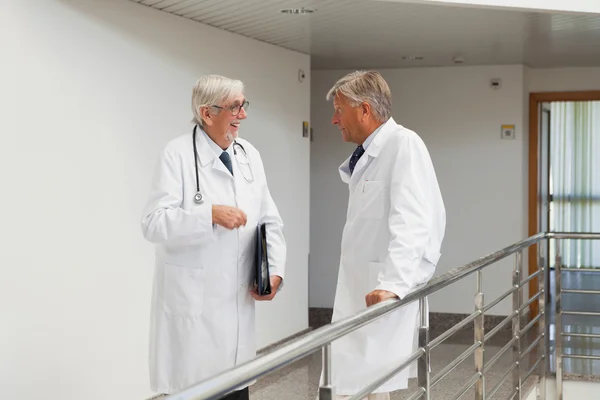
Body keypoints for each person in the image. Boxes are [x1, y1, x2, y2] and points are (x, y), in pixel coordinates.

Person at [140, 75, 286, 399]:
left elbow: (269, 221)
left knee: (236, 390)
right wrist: (208, 215)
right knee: (197, 390)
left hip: (237, 313)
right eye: (235, 107)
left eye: (243, 105)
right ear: (207, 113)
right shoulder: (176, 155)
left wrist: (274, 272)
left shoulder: (249, 155)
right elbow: (152, 223)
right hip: (193, 321)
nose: (243, 115)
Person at [324, 70, 446, 399]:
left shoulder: (403, 144)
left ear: (364, 110)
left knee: (371, 386)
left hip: (381, 290)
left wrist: (392, 283)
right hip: (362, 290)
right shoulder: (371, 151)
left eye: (339, 110)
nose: (335, 120)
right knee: (364, 387)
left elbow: (414, 221)